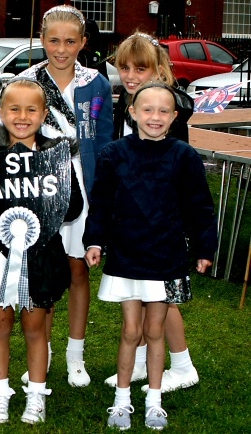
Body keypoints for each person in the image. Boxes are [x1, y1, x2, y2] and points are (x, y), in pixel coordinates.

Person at [84, 82, 217, 430]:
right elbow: (100, 203)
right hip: (127, 255)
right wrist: (94, 241)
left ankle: (154, 400)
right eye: (147, 109)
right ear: (132, 112)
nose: (154, 117)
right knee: (131, 330)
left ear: (174, 117)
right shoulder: (113, 154)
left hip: (167, 257)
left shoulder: (184, 156)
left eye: (163, 111)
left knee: (155, 330)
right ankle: (122, 400)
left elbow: (200, 206)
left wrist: (205, 248)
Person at [0, 78, 83, 424]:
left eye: (31, 109)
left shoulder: (55, 157)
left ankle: (36, 395)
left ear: (44, 114)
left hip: (40, 255)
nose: (22, 116)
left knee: (35, 326)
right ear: (1, 112)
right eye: (14, 108)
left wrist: (53, 197)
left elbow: (73, 208)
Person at [18, 4, 114, 387]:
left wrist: (104, 192)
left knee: (77, 269)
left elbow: (104, 141)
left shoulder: (96, 84)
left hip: (84, 187)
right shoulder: (26, 80)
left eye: (70, 41)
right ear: (41, 40)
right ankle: (42, 352)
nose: (61, 49)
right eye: (54, 40)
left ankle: (76, 354)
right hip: (39, 188)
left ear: (83, 43)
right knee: (43, 272)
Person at [106, 31, 199, 393]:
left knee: (163, 298)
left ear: (159, 69)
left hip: (163, 226)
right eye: (124, 67)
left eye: (140, 68)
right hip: (133, 221)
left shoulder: (167, 110)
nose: (130, 75)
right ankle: (143, 361)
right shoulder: (127, 103)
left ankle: (183, 364)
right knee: (142, 296)